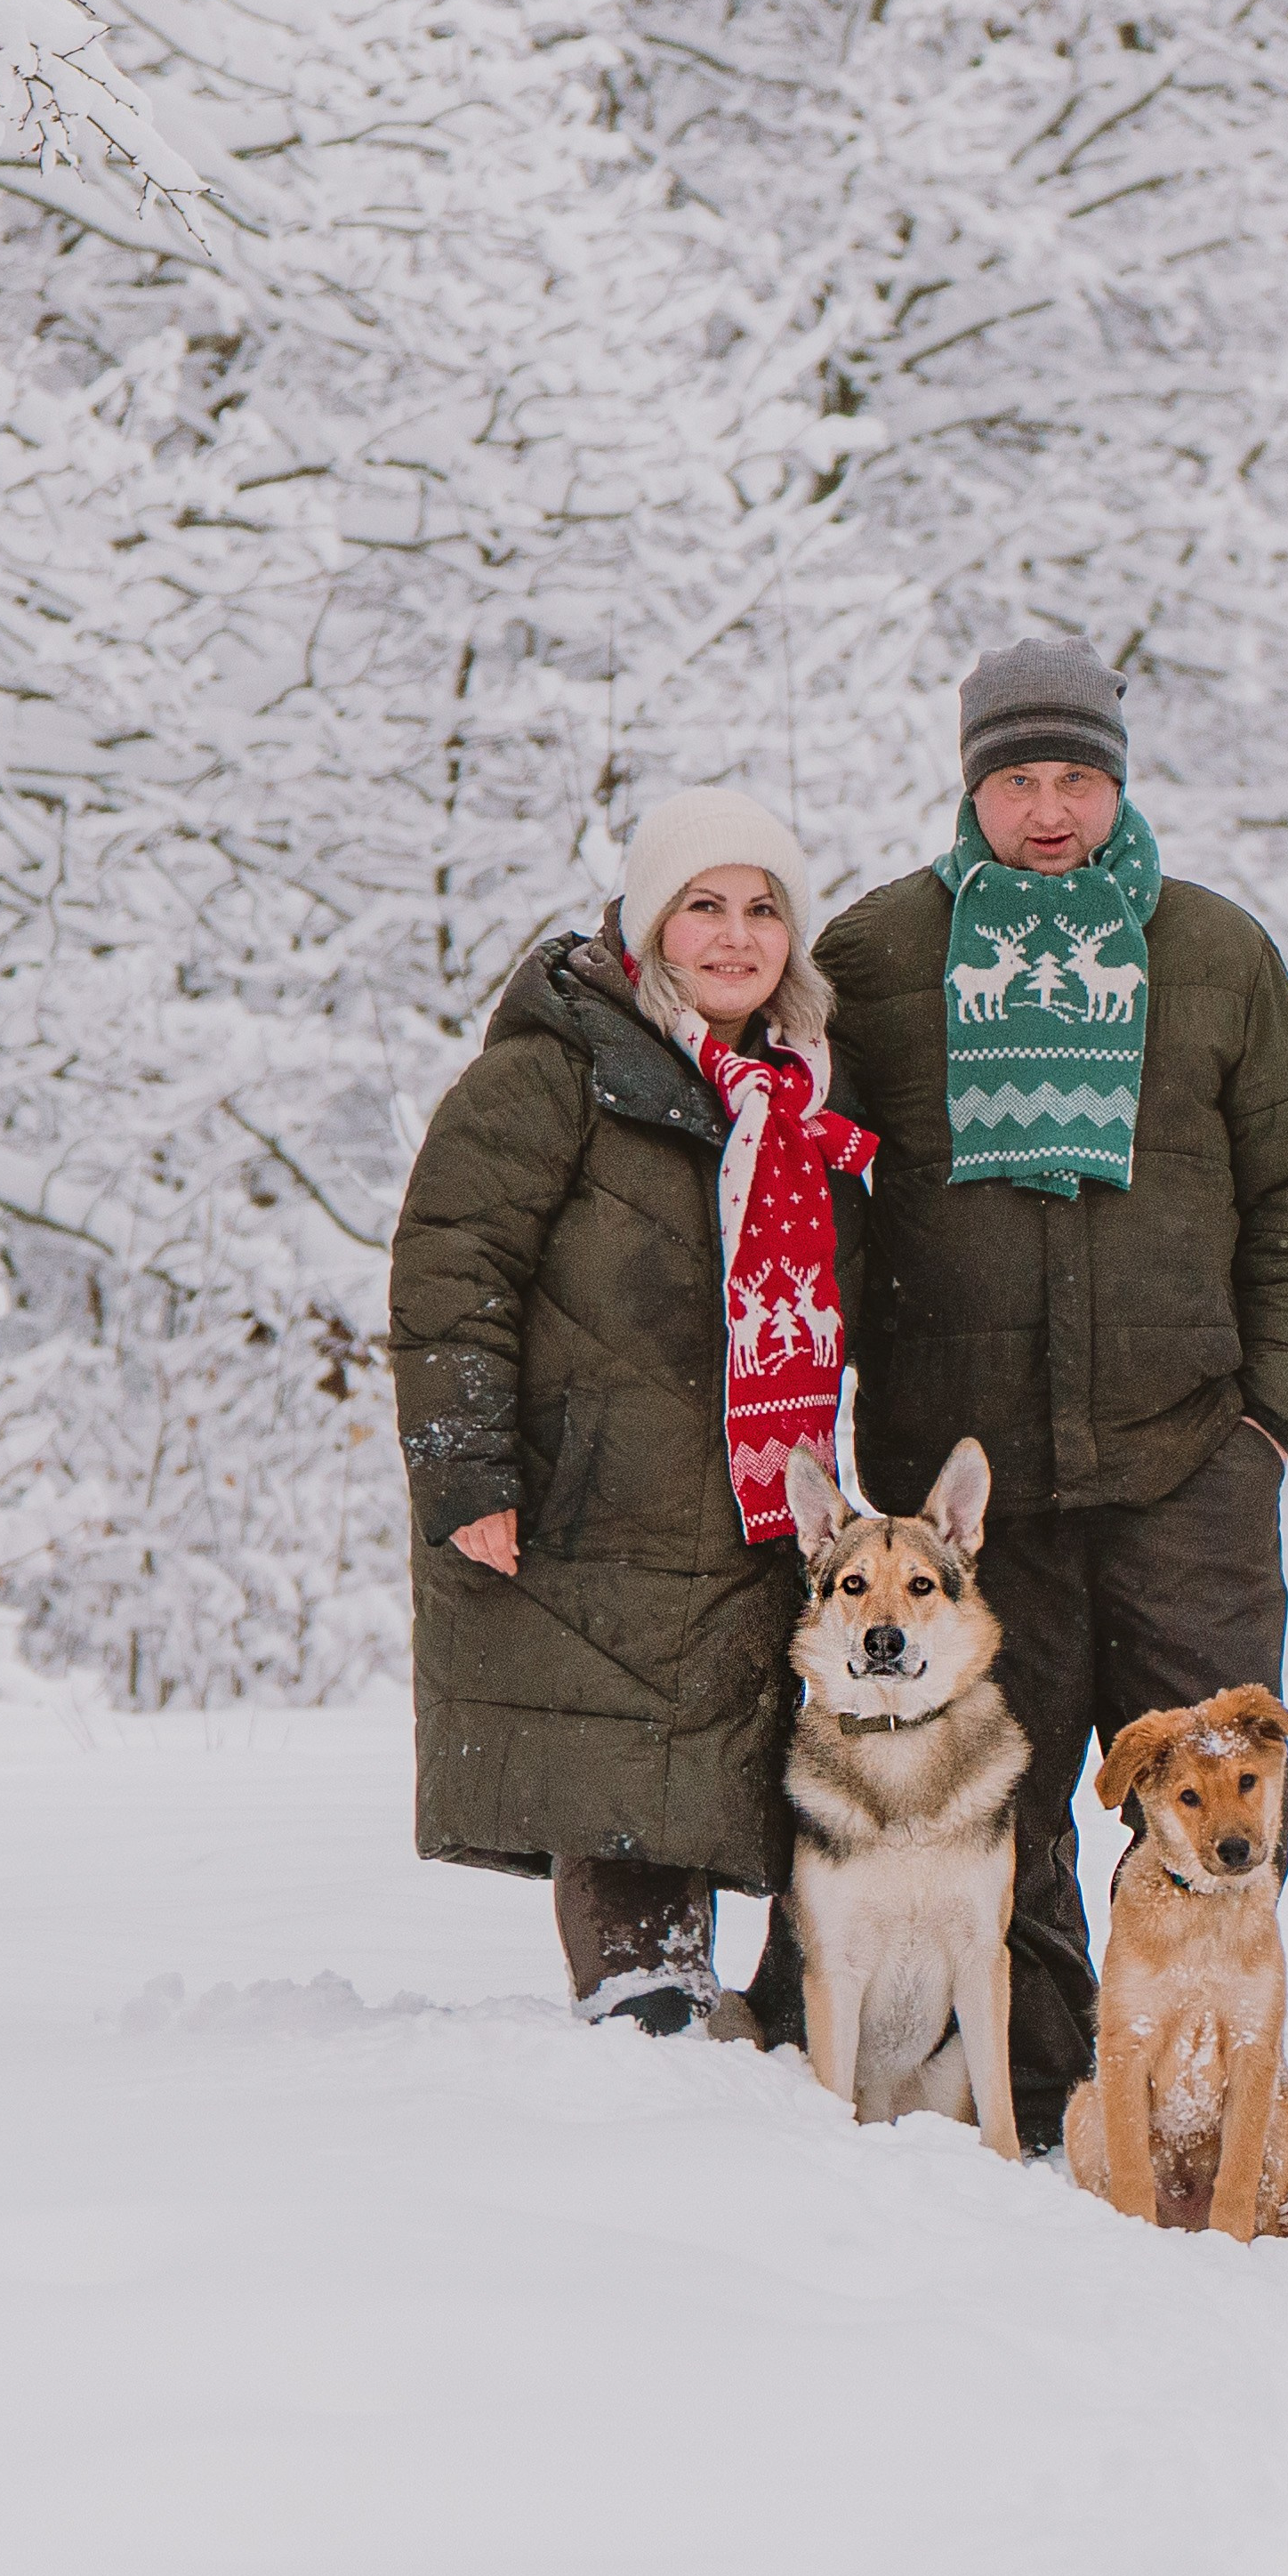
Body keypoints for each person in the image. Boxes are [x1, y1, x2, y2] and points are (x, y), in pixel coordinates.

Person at [815, 637, 1288, 2147]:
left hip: (1192, 1455)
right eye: (1016, 779)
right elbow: (810, 1207)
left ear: (1116, 781)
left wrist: (1275, 1421)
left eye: (1076, 777)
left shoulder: (1214, 955)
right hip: (971, 1496)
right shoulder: (876, 960)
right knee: (1006, 1793)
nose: (1048, 811)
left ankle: (1212, 2092)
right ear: (970, 786)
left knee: (1210, 1790)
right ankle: (1063, 2093)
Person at [389, 789, 874, 2036]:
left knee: (725, 1780)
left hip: (749, 1514)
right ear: (650, 925)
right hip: (585, 1514)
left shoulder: (799, 1096)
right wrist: (466, 1473)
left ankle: (732, 2038)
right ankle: (640, 2053)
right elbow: (453, 1270)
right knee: (624, 1802)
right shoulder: (555, 1073)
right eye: (701, 905)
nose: (734, 933)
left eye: (763, 907)